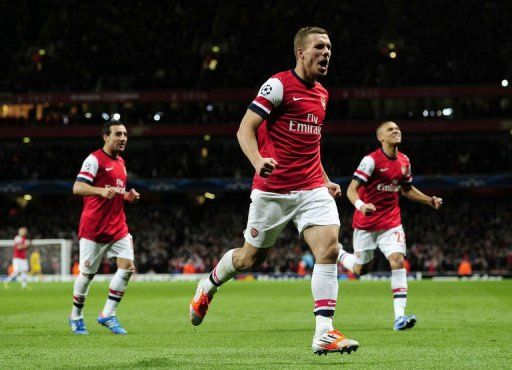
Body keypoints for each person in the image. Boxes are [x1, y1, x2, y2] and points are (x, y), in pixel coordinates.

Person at [189, 26, 359, 355]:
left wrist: (324, 178)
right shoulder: (278, 84)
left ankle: (324, 332)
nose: (326, 53)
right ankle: (207, 285)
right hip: (273, 190)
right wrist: (256, 160)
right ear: (301, 53)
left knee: (329, 248)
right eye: (320, 47)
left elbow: (312, 144)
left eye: (329, 48)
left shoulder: (323, 94)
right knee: (249, 258)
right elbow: (245, 128)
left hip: (311, 188)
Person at [337, 121, 443, 330]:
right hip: (366, 224)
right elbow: (351, 189)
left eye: (398, 129)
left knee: (397, 260)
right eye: (390, 130)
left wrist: (428, 200)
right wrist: (361, 205)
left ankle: (399, 317)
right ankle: (340, 254)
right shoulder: (370, 161)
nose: (396, 131)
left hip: (391, 223)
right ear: (381, 138)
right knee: (361, 270)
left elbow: (407, 190)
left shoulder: (404, 161)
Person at [69, 121, 140, 335]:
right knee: (87, 275)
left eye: (125, 134)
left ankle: (108, 314)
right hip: (94, 229)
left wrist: (126, 196)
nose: (123, 138)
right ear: (105, 137)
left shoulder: (121, 163)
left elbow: (116, 190)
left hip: (117, 226)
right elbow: (77, 187)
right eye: (118, 134)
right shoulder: (94, 160)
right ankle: (76, 316)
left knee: (127, 267)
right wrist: (100, 191)